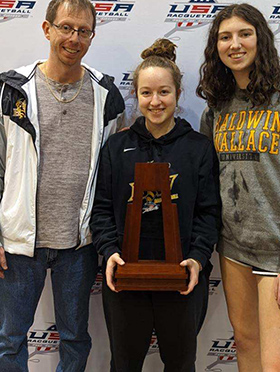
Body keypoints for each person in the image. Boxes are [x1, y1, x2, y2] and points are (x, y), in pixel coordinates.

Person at [0, 0, 124, 371]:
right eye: (66, 28)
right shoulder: (11, 91)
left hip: (79, 245)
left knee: (76, 337)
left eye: (84, 31)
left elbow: (113, 175)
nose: (74, 39)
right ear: (47, 29)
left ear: (92, 36)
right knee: (11, 339)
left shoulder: (107, 96)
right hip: (18, 244)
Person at [197, 3, 280, 371]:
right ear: (216, 48)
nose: (234, 44)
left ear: (261, 40)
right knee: (245, 345)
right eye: (225, 37)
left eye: (244, 34)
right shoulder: (217, 109)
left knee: (277, 366)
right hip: (235, 248)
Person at [91, 38, 220, 372]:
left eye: (164, 92)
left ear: (177, 93)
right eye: (146, 92)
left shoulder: (198, 149)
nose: (155, 101)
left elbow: (209, 213)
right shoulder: (116, 147)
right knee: (124, 363)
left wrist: (197, 257)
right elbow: (102, 208)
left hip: (182, 277)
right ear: (136, 95)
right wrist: (109, 250)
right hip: (125, 277)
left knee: (179, 364)